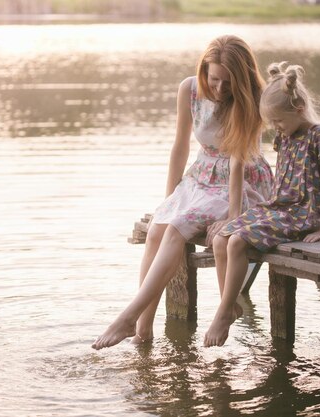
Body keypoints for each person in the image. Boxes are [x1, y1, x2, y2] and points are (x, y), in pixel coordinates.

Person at [91, 35, 274, 350]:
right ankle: (142, 332)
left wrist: (233, 216)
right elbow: (180, 145)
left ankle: (128, 316)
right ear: (205, 70)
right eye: (214, 79)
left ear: (241, 80)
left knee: (176, 230)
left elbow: (237, 164)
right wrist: (169, 199)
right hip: (201, 174)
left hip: (240, 180)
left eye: (227, 83)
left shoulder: (251, 99)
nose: (219, 88)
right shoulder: (189, 89)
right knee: (157, 229)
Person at [204, 62, 320, 347]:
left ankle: (222, 314)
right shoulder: (285, 136)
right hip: (278, 207)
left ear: (300, 108)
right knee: (221, 237)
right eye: (273, 123)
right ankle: (228, 306)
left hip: (303, 213)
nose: (276, 128)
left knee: (237, 241)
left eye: (279, 121)